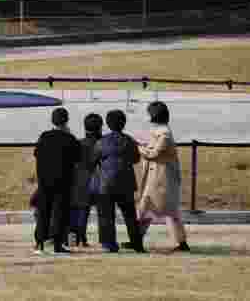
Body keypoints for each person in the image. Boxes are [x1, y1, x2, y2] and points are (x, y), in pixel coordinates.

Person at [137, 101, 190, 253]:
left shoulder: (164, 134)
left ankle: (180, 242)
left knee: (162, 209)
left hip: (162, 178)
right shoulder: (160, 131)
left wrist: (138, 147)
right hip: (157, 177)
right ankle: (137, 239)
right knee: (148, 208)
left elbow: (153, 154)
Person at [94, 109, 144, 253]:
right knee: (130, 216)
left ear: (107, 124)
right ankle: (137, 243)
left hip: (106, 183)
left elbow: (94, 159)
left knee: (106, 215)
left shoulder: (101, 142)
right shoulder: (129, 140)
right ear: (124, 123)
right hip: (126, 182)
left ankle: (109, 244)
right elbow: (136, 159)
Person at [33, 107, 81, 255]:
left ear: (52, 121)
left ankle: (40, 243)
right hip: (63, 180)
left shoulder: (44, 136)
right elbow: (78, 157)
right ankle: (57, 243)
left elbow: (36, 153)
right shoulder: (70, 138)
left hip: (45, 179)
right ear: (66, 121)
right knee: (60, 212)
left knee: (43, 211)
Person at [70, 113, 103, 247]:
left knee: (81, 211)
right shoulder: (102, 143)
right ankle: (105, 239)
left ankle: (77, 238)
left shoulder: (79, 143)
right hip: (99, 181)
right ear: (100, 127)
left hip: (80, 181)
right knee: (104, 213)